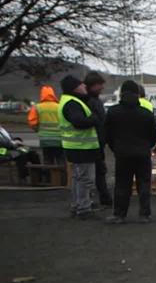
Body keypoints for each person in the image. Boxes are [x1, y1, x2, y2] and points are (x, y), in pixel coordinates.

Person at [103, 81, 156, 224]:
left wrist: (115, 147)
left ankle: (119, 215)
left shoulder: (113, 112)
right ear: (138, 95)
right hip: (142, 153)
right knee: (144, 184)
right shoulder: (146, 113)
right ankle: (144, 214)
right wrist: (147, 146)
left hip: (122, 154)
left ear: (122, 94)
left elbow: (106, 134)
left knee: (122, 184)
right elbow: (154, 134)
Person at [59, 75, 101, 220]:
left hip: (74, 146)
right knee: (85, 179)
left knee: (78, 178)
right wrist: (95, 119)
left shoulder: (68, 101)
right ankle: (84, 208)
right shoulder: (73, 103)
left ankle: (77, 205)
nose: (85, 87)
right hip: (81, 147)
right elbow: (79, 121)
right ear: (75, 88)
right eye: (82, 85)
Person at [83, 71, 113, 208]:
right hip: (91, 143)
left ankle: (103, 198)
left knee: (99, 171)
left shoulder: (94, 101)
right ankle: (94, 199)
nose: (102, 88)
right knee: (93, 173)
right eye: (99, 85)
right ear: (92, 85)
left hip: (97, 142)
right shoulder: (89, 102)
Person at [27, 85, 63, 166]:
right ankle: (62, 178)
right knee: (60, 161)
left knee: (48, 161)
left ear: (42, 94)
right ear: (53, 94)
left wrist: (37, 130)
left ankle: (48, 178)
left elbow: (32, 123)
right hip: (59, 139)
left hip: (45, 140)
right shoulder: (59, 106)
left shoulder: (37, 107)